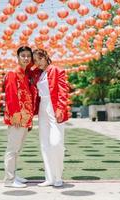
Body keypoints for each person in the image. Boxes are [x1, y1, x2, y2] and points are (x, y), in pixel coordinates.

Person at [32, 49, 69, 187]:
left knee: (56, 143)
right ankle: (49, 178)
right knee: (45, 144)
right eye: (35, 61)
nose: (37, 63)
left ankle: (58, 176)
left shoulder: (57, 70)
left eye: (39, 59)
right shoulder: (39, 74)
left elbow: (63, 91)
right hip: (43, 108)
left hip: (54, 108)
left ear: (46, 57)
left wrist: (60, 108)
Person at [3, 46, 34, 188]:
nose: (26, 58)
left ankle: (14, 175)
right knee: (12, 149)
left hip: (25, 118)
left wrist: (29, 119)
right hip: (17, 118)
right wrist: (15, 115)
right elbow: (11, 94)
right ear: (18, 57)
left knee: (18, 149)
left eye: (28, 56)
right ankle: (9, 180)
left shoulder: (26, 74)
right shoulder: (12, 73)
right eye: (23, 55)